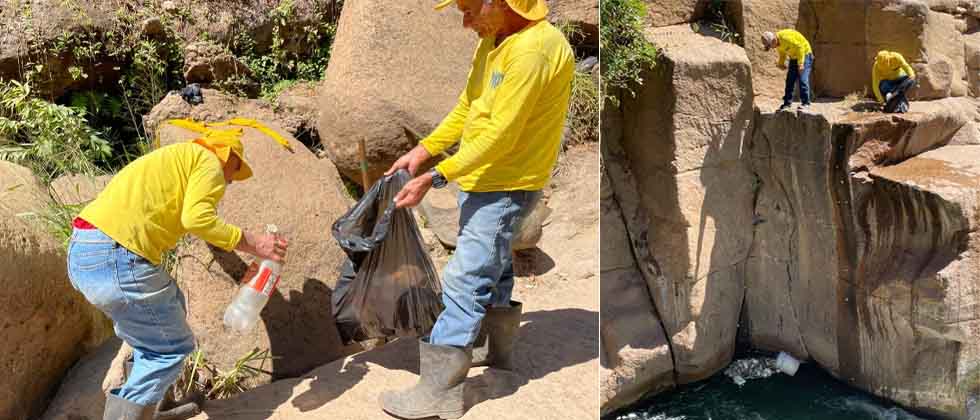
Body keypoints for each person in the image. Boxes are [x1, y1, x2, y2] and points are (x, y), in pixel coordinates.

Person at [379, 0, 574, 418]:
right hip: (482, 177)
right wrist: (423, 150)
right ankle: (493, 355)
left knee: (465, 278)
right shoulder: (494, 39)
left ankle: (439, 391)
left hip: (507, 183)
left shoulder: (534, 51)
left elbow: (502, 137)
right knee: (494, 265)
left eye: (470, 9)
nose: (465, 21)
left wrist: (435, 177)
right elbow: (469, 106)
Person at [66, 131, 288, 419]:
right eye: (235, 170)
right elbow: (197, 219)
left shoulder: (178, 159)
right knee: (168, 348)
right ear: (227, 156)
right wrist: (256, 243)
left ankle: (155, 408)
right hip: (117, 256)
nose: (231, 180)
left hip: (86, 251)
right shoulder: (209, 162)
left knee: (171, 307)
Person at [762, 29, 814, 110]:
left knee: (802, 79)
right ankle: (787, 104)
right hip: (794, 57)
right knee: (790, 80)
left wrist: (801, 64)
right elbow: (782, 54)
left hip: (805, 53)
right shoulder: (777, 44)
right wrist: (781, 64)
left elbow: (800, 47)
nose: (771, 48)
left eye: (769, 45)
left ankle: (806, 103)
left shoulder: (786, 38)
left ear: (773, 40)